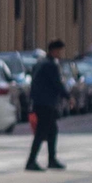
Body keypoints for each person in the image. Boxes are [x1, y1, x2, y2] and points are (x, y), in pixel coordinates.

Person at [26, 41, 69, 171]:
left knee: (52, 131)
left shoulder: (40, 63)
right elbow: (57, 83)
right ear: (54, 50)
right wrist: (68, 97)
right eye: (60, 51)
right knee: (41, 132)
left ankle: (51, 159)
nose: (61, 54)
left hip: (39, 102)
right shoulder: (51, 65)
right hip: (46, 103)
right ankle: (31, 161)